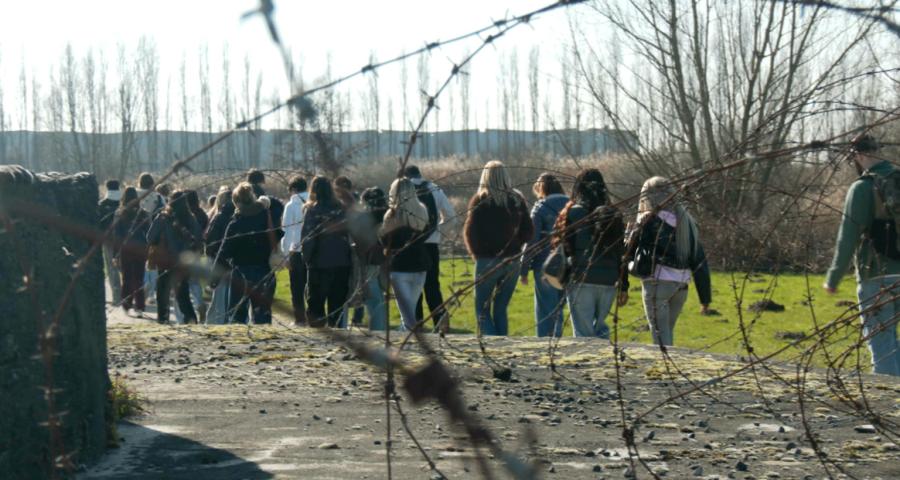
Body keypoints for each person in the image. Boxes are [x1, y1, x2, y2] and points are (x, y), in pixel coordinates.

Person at [825, 134, 900, 376]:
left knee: (881, 345)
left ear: (858, 155)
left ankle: (888, 407)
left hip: (876, 276)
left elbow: (848, 236)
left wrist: (834, 278)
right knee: (893, 345)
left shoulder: (862, 188)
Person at [629, 176, 711, 346]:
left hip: (657, 284)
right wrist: (705, 298)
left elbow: (631, 254)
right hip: (681, 288)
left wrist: (631, 234)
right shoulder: (687, 223)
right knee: (667, 333)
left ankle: (665, 369)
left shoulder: (647, 220)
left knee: (660, 336)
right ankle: (668, 367)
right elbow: (700, 262)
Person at [554, 169, 629, 338]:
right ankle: (608, 362)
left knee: (583, 332)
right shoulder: (614, 214)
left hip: (582, 277)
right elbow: (620, 253)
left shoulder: (574, 213)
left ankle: (588, 363)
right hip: (609, 280)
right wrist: (623, 285)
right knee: (601, 329)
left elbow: (566, 249)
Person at [463, 161, 534, 336]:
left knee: (481, 309)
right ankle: (503, 345)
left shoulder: (480, 200)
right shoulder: (517, 200)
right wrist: (516, 244)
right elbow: (529, 231)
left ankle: (492, 345)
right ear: (505, 176)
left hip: (487, 260)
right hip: (512, 260)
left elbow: (470, 233)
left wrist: (478, 254)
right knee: (501, 308)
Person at [405, 165, 457, 333]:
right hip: (431, 246)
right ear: (420, 174)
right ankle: (440, 325)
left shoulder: (402, 189)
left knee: (414, 288)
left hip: (410, 246)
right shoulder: (434, 188)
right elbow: (451, 216)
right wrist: (437, 232)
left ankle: (416, 327)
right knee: (433, 286)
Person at [221, 182, 280, 325]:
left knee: (237, 315)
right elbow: (277, 235)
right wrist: (262, 203)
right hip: (264, 269)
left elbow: (225, 251)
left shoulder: (235, 224)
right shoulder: (265, 216)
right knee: (262, 315)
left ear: (236, 202)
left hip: (240, 272)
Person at [520, 173, 569, 337]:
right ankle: (557, 342)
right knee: (558, 308)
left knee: (544, 309)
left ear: (541, 188)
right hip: (567, 265)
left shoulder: (540, 207)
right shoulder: (571, 204)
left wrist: (524, 268)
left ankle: (543, 345)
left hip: (545, 264)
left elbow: (532, 241)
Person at [301, 176, 353, 327]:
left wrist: (307, 259)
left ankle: (318, 331)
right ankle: (336, 329)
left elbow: (308, 236)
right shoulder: (341, 209)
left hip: (319, 263)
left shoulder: (313, 210)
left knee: (316, 301)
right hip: (341, 261)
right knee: (337, 301)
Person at [381, 178, 430, 332]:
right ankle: (407, 341)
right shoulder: (422, 210)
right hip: (419, 265)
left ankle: (405, 345)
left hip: (399, 267)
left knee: (406, 314)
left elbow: (386, 242)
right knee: (410, 311)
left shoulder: (392, 215)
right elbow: (425, 234)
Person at [146, 190, 201, 324]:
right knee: (183, 295)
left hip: (165, 261)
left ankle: (163, 321)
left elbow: (150, 238)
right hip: (184, 262)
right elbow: (198, 239)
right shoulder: (191, 218)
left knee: (162, 295)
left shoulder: (163, 218)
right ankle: (191, 321)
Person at [353, 187, 389, 330]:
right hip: (386, 260)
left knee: (373, 297)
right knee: (380, 295)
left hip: (370, 260)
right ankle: (381, 327)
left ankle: (377, 330)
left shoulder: (365, 217)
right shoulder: (389, 215)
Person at [113, 187, 151, 317]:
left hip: (126, 249)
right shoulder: (143, 213)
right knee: (139, 278)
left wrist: (115, 254)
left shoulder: (119, 213)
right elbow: (148, 232)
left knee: (127, 277)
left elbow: (116, 235)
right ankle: (140, 306)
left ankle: (126, 304)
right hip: (140, 249)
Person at [204, 186, 235, 325]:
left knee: (219, 295)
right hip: (233, 259)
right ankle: (223, 320)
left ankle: (216, 322)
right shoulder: (238, 215)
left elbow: (210, 239)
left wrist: (210, 254)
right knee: (228, 294)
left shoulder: (219, 216)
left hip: (218, 258)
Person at [282, 176, 310, 325]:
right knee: (311, 285)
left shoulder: (291, 205)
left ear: (293, 189)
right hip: (313, 250)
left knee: (297, 287)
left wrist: (285, 254)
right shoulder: (314, 202)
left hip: (296, 250)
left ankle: (300, 319)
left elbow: (286, 231)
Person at [178, 190, 209, 323]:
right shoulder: (202, 214)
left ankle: (183, 316)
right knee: (194, 281)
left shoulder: (184, 215)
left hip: (182, 252)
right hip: (196, 250)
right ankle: (199, 303)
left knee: (181, 284)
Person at [137, 172, 166, 303]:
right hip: (155, 234)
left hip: (138, 233)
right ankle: (151, 293)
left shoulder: (135, 194)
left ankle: (141, 287)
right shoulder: (158, 197)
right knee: (152, 263)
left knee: (140, 262)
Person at [98, 179, 123, 305]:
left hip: (108, 240)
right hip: (124, 239)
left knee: (112, 267)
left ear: (107, 188)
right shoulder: (124, 202)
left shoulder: (102, 204)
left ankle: (117, 296)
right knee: (125, 267)